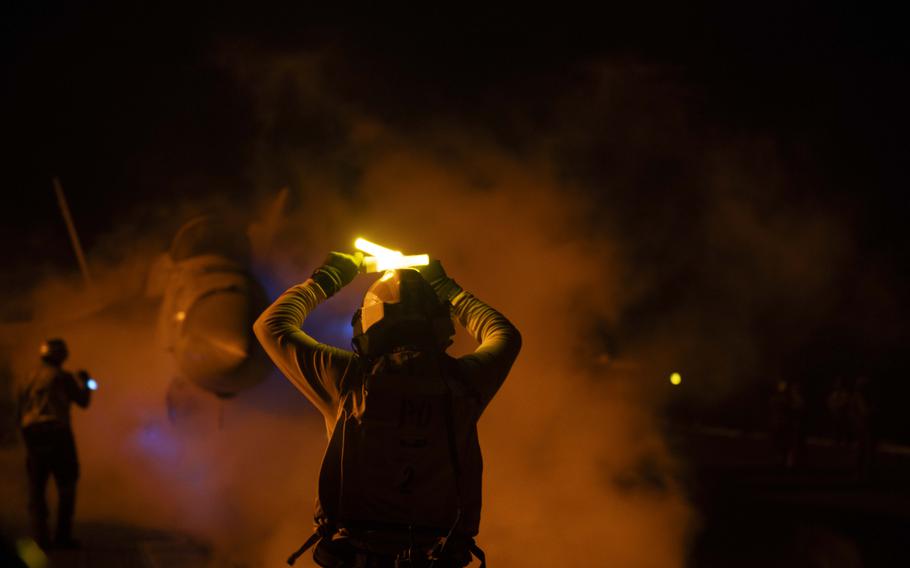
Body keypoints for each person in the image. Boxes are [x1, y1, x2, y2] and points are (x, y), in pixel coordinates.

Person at [254, 252, 521, 567]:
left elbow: (271, 326)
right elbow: (505, 335)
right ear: (440, 323)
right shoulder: (464, 383)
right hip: (438, 557)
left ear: (367, 324)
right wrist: (448, 289)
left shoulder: (347, 379)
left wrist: (329, 278)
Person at [15, 338, 92, 549]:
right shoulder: (62, 377)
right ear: (61, 356)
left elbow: (18, 407)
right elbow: (83, 402)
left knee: (36, 487)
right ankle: (62, 536)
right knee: (67, 483)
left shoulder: (27, 377)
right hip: (58, 434)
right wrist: (86, 383)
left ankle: (40, 537)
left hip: (32, 435)